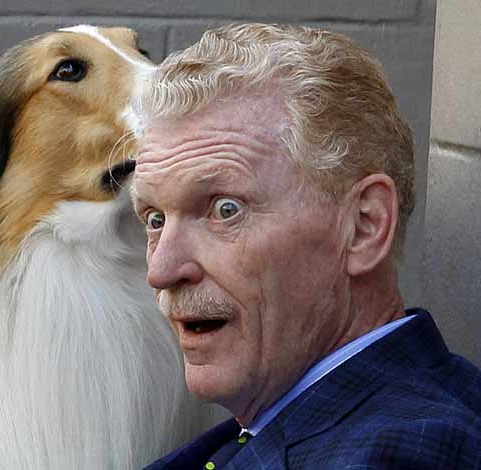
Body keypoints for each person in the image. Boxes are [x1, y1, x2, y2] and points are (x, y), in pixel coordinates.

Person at [131, 23, 481, 469]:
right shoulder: (285, 421)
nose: (161, 270)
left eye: (225, 210)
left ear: (364, 227)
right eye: (155, 219)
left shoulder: (408, 452)